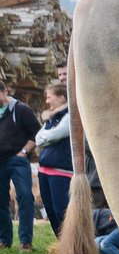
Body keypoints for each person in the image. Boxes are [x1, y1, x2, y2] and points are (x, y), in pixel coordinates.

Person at [0, 76, 40, 252]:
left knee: (24, 196)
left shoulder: (21, 110)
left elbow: (36, 134)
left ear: (4, 91)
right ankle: (4, 240)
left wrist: (23, 152)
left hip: (18, 160)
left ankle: (25, 241)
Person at [35, 81, 73, 237]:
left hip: (61, 171)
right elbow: (38, 138)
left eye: (50, 97)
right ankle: (61, 243)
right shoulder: (51, 118)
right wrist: (46, 138)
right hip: (45, 171)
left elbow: (56, 135)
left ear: (62, 98)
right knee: (50, 211)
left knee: (61, 210)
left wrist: (46, 138)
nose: (47, 101)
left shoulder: (69, 116)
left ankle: (70, 241)